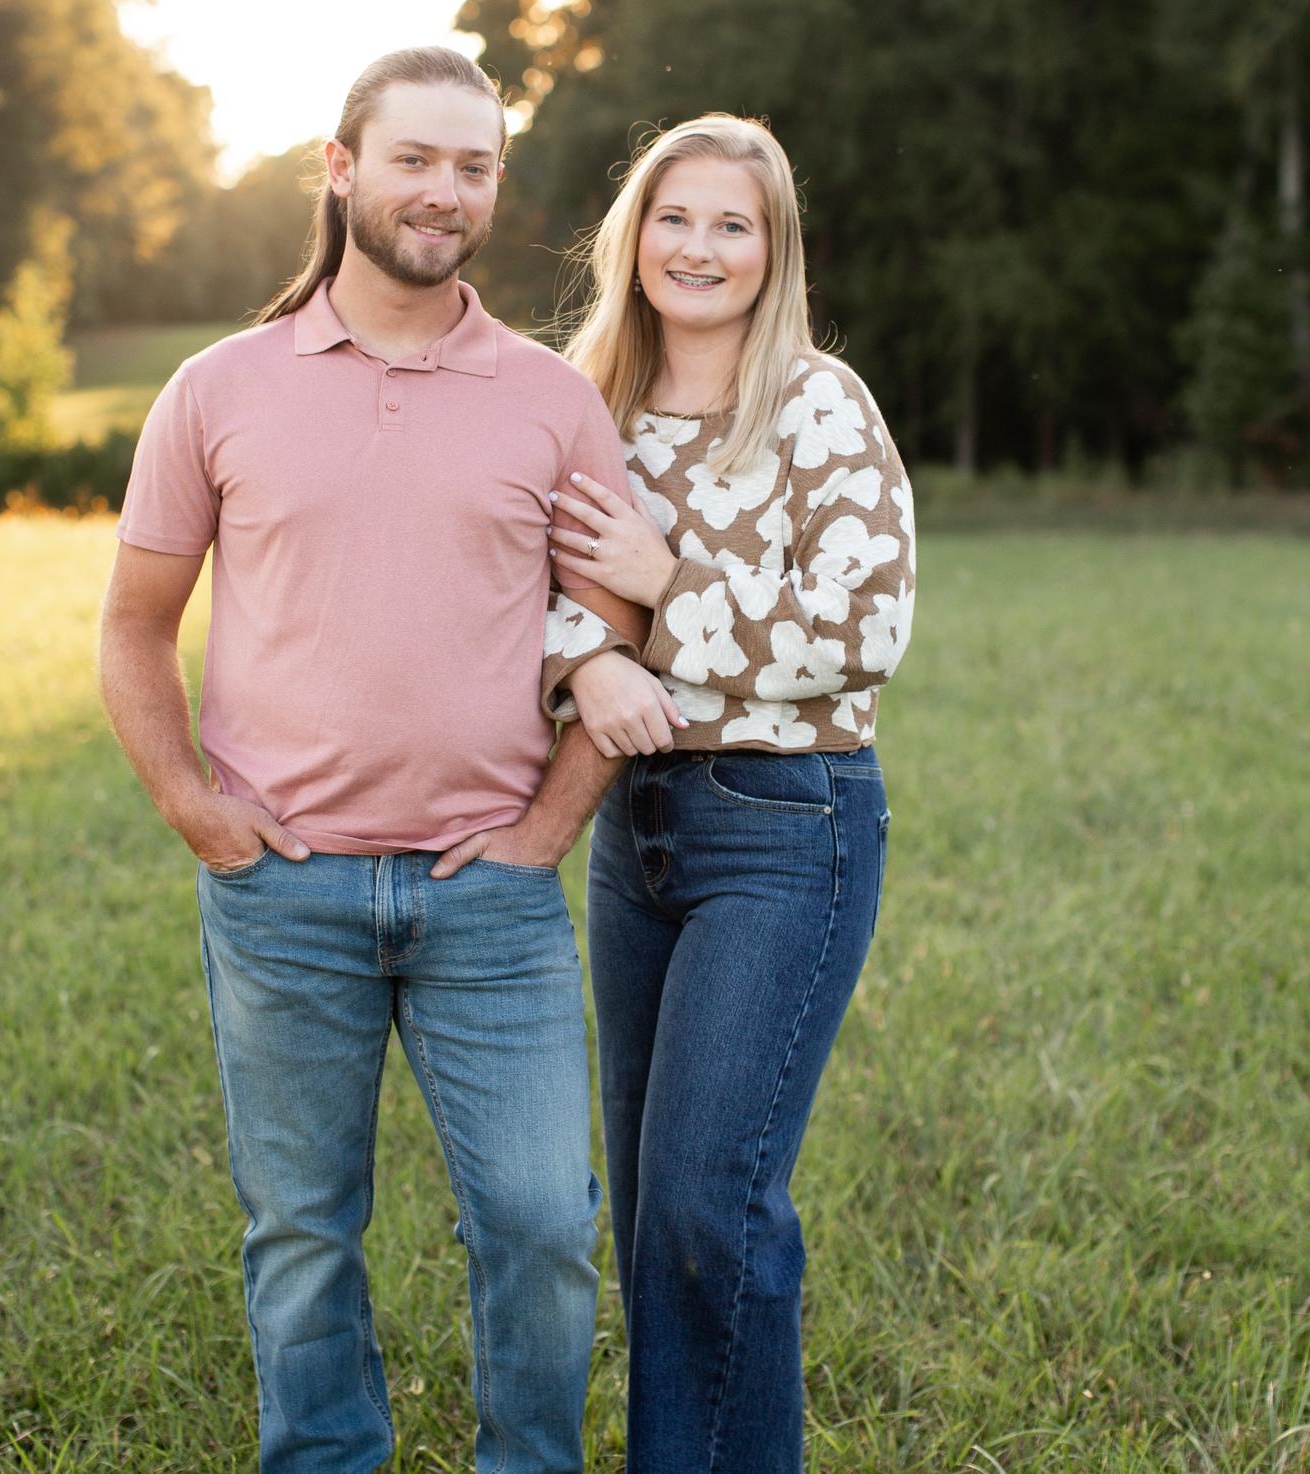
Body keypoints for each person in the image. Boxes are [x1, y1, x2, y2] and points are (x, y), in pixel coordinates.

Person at [98, 47, 680, 1474]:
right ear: (342, 167)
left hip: (490, 899)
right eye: (414, 157)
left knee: (543, 1222)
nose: (445, 190)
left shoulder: (551, 401)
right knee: (301, 1229)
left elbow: (617, 635)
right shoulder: (218, 388)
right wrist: (193, 806)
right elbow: (132, 625)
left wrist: (547, 829)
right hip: (281, 891)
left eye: (473, 165)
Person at [542, 115, 917, 1471]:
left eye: (731, 224)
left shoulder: (818, 401)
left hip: (783, 826)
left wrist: (662, 583)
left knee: (713, 1198)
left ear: (772, 253)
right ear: (632, 235)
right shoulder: (579, 404)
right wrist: (585, 663)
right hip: (629, 829)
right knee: (655, 1212)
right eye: (673, 217)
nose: (697, 246)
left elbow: (860, 630)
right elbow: (521, 601)